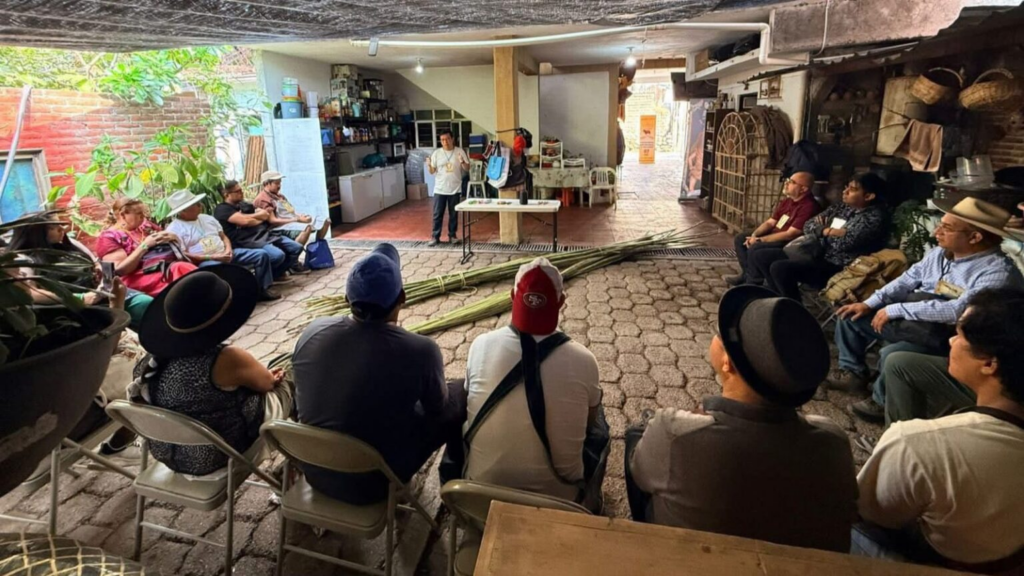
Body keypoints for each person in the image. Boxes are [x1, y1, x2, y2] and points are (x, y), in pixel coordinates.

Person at [625, 285, 857, 553]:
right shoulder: (834, 443)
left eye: (718, 333)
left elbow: (640, 472)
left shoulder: (675, 433)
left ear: (727, 362)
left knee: (636, 434)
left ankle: (640, 536)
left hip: (691, 561)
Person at [854, 288, 1024, 571]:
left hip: (943, 563)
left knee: (838, 519)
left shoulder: (918, 442)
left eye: (959, 336)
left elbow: (869, 513)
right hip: (1003, 556)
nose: (951, 341)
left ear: (989, 363)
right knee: (899, 360)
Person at [292, 243, 467, 504]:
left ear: (346, 299)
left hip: (315, 472)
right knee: (460, 392)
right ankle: (453, 484)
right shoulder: (421, 350)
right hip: (375, 483)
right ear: (402, 298)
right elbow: (437, 409)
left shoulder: (312, 332)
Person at [830, 197, 1024, 424]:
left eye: (947, 228)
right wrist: (870, 303)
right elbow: (907, 279)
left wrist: (897, 309)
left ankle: (882, 402)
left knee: (894, 354)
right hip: (915, 321)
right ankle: (853, 373)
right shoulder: (939, 253)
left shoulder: (997, 273)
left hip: (948, 335)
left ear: (975, 237)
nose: (936, 232)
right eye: (940, 224)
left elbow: (957, 311)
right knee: (851, 316)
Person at [462, 258, 608, 512]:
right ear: (561, 302)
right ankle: (592, 500)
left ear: (512, 296)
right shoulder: (585, 360)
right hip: (559, 503)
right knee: (600, 421)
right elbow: (589, 422)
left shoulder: (480, 346)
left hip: (480, 499)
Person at [130, 265, 294, 476]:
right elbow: (267, 384)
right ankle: (305, 461)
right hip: (223, 454)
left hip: (175, 457)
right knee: (295, 368)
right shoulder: (225, 358)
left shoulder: (148, 363)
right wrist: (271, 376)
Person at [8, 212, 153, 329]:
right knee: (144, 310)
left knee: (148, 304)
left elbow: (96, 263)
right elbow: (31, 293)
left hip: (102, 292)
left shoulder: (70, 244)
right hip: (75, 306)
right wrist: (81, 298)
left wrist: (100, 273)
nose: (62, 229)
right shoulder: (24, 259)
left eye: (61, 225)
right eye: (54, 227)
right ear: (36, 233)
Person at [762, 173, 890, 301]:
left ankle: (792, 307)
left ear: (868, 196)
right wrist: (827, 231)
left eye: (852, 189)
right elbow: (808, 225)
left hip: (841, 267)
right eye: (846, 187)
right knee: (763, 256)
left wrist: (821, 232)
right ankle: (776, 299)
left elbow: (842, 244)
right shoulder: (842, 207)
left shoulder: (873, 218)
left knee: (780, 268)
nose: (845, 192)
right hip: (818, 253)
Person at [164, 189, 281, 302]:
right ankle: (230, 298)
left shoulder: (207, 218)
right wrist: (213, 257)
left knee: (261, 255)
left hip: (225, 253)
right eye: (195, 204)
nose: (200, 205)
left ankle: (261, 289)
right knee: (217, 266)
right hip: (205, 261)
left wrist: (228, 249)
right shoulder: (174, 229)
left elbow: (224, 237)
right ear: (183, 211)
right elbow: (183, 255)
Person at [725, 171, 820, 286]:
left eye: (791, 182)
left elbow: (791, 234)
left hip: (788, 241)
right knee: (741, 238)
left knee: (756, 247)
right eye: (787, 180)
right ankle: (747, 274)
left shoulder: (809, 206)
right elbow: (770, 222)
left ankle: (753, 282)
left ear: (803, 189)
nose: (786, 184)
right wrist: (754, 235)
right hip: (775, 233)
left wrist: (760, 240)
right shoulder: (787, 201)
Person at [95, 198, 197, 296]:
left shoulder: (146, 226)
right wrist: (144, 246)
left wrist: (174, 238)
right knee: (180, 269)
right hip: (135, 277)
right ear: (123, 215)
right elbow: (120, 270)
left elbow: (168, 248)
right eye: (139, 213)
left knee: (182, 268)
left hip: (163, 267)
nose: (143, 216)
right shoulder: (109, 237)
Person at [213, 180, 303, 283]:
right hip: (245, 241)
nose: (241, 192)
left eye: (241, 190)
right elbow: (246, 221)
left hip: (262, 234)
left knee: (296, 248)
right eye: (237, 191)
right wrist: (257, 217)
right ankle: (262, 281)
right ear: (226, 195)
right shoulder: (222, 209)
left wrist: (255, 218)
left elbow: (264, 215)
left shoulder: (243, 204)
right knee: (277, 255)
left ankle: (276, 274)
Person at [253, 170, 331, 271]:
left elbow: (291, 212)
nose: (279, 186)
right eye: (276, 183)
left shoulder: (280, 196)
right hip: (276, 228)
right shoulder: (263, 199)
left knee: (325, 221)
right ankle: (293, 262)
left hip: (290, 222)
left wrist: (303, 217)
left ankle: (318, 249)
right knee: (306, 228)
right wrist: (296, 219)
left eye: (280, 183)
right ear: (267, 184)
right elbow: (273, 221)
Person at [426, 130, 470, 246]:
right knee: (437, 214)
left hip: (455, 189)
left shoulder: (459, 151)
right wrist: (429, 165)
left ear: (452, 139)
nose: (445, 142)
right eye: (442, 140)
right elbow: (432, 171)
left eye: (447, 139)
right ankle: (435, 237)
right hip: (440, 189)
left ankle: (452, 236)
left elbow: (467, 168)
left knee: (453, 214)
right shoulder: (437, 153)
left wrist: (462, 162)